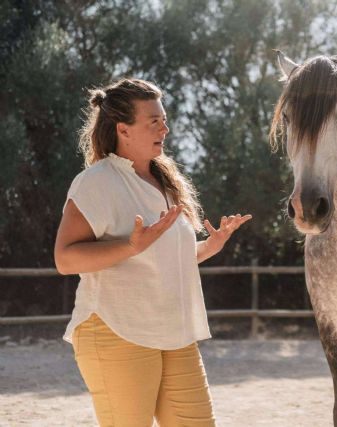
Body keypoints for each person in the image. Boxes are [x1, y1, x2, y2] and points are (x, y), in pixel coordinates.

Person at [54, 78, 251, 427]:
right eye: (154, 121)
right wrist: (130, 246)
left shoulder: (165, 182)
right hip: (114, 330)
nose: (166, 127)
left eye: (164, 118)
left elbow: (163, 260)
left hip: (173, 332)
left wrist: (211, 246)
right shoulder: (96, 181)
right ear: (123, 129)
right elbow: (65, 259)